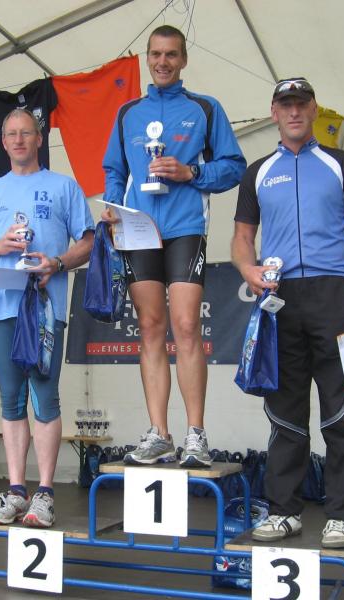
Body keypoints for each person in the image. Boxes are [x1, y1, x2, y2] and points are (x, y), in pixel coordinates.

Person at [231, 77, 344, 548]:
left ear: (315, 109)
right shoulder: (258, 171)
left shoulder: (342, 164)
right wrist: (248, 269)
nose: (294, 112)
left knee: (341, 409)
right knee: (284, 411)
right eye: (286, 105)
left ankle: (343, 516)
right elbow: (242, 237)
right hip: (278, 297)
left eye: (301, 104)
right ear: (274, 113)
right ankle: (284, 512)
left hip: (332, 293)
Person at [101, 25, 246, 468]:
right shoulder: (127, 113)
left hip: (185, 226)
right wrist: (113, 207)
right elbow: (114, 169)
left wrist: (191, 174)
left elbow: (234, 166)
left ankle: (195, 434)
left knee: (185, 325)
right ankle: (159, 433)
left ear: (183, 60)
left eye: (171, 55)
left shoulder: (204, 108)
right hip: (138, 228)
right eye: (156, 54)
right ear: (147, 58)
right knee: (149, 327)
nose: (162, 62)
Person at [0, 108, 94, 527]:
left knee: (45, 396)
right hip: (3, 305)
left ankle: (45, 493)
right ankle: (17, 491)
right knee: (10, 398)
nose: (19, 140)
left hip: (46, 305)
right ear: (2, 143)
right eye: (11, 134)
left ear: (39, 138)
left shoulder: (64, 186)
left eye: (26, 133)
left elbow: (89, 241)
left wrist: (58, 262)